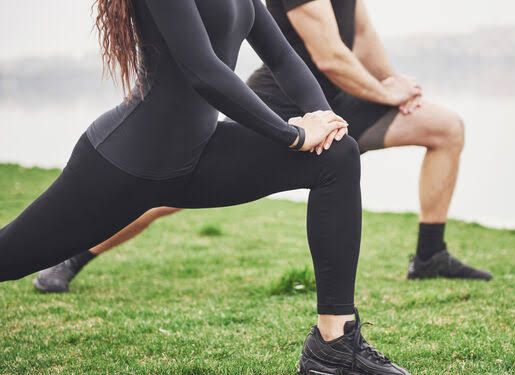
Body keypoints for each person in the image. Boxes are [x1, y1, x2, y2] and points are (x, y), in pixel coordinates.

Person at [1, 0, 409, 373]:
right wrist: (292, 135)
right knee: (11, 258)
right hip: (124, 164)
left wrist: (324, 118)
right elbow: (203, 70)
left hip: (196, 158)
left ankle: (334, 343)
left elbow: (284, 56)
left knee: (338, 156)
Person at [34, 0, 492, 293]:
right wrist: (383, 92)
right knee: (169, 193)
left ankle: (429, 255)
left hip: (346, 97)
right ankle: (78, 254)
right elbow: (329, 56)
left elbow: (363, 37)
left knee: (445, 127)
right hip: (285, 99)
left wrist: (391, 82)